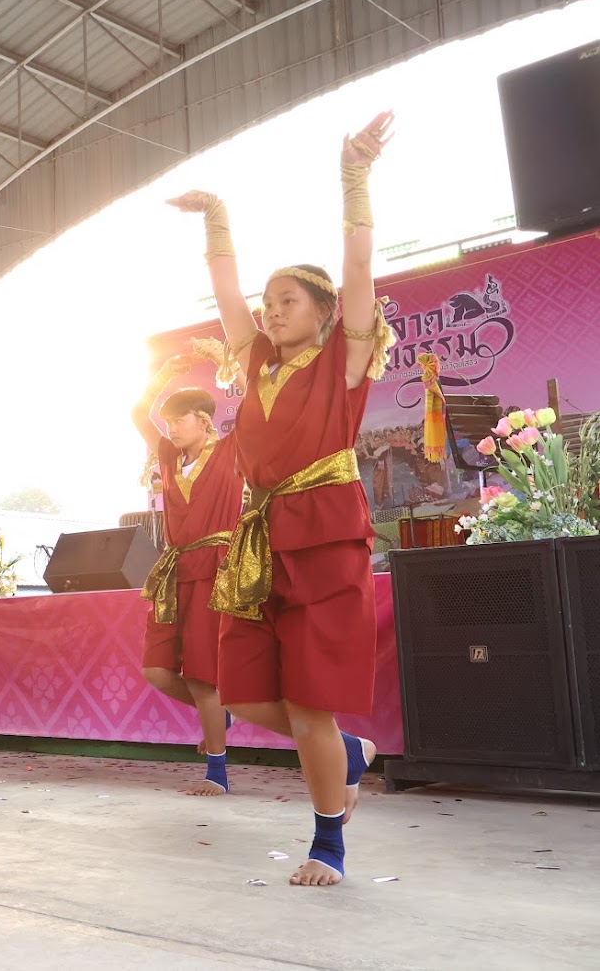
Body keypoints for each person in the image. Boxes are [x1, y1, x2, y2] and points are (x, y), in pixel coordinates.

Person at [168, 111, 395, 885]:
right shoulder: (257, 364)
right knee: (246, 694)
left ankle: (327, 842)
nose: (270, 309)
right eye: (269, 301)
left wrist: (355, 174)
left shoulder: (344, 362)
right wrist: (219, 221)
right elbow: (227, 293)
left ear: (327, 315)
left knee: (311, 705)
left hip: (326, 538)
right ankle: (356, 758)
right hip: (260, 540)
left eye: (288, 300)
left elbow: (359, 270)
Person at [134, 358, 241, 796]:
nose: (171, 428)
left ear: (203, 420)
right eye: (169, 421)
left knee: (202, 676)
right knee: (156, 670)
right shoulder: (168, 456)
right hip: (176, 569)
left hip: (215, 567)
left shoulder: (232, 450)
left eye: (179, 420)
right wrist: (161, 374)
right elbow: (137, 414)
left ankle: (217, 772)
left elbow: (257, 404)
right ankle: (220, 716)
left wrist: (228, 362)